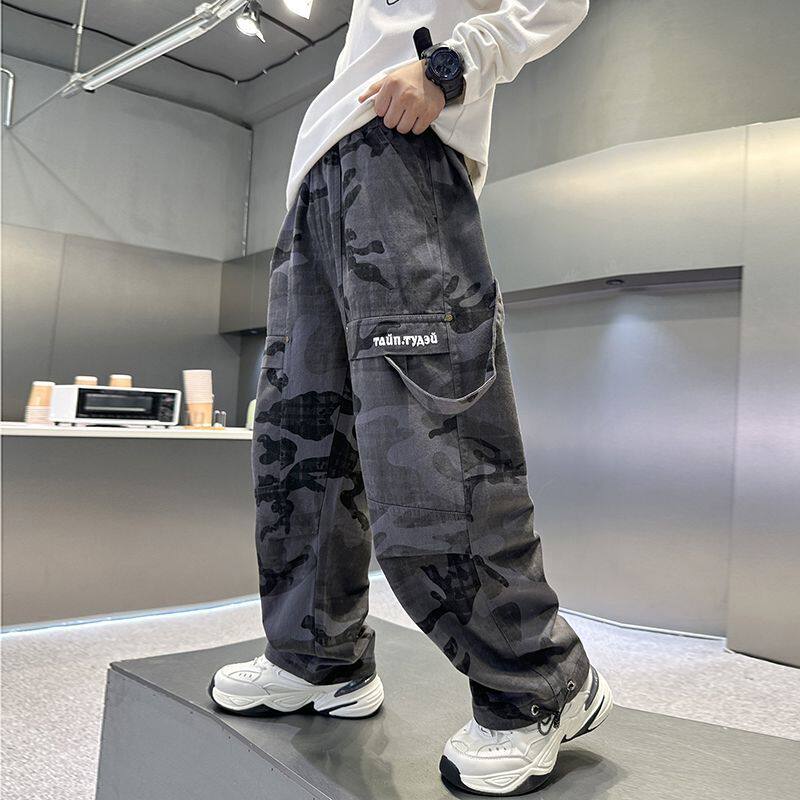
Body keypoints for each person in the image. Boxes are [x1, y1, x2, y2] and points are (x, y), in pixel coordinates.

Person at [210, 1, 612, 794]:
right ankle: (319, 657)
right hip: (317, 181)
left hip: (403, 152)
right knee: (301, 449)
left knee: (434, 443)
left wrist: (448, 68)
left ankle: (538, 681)